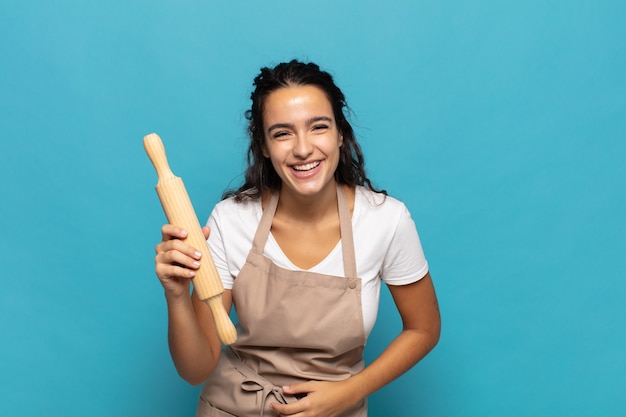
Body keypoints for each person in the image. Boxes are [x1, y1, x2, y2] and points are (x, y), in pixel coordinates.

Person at [153, 60, 440, 417]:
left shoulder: (386, 220)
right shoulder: (231, 221)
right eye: (282, 133)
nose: (303, 149)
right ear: (263, 146)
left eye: (318, 127)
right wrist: (177, 296)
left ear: (340, 133)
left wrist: (349, 392)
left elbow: (424, 329)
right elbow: (195, 369)